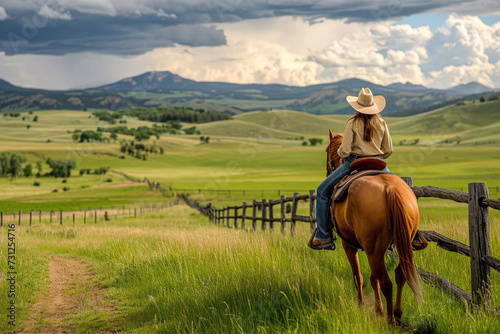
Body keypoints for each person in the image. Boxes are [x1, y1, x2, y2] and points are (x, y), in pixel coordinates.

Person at [310, 88, 393, 250]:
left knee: (321, 192)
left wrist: (341, 153)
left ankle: (323, 236)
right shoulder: (382, 123)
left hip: (354, 163)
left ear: (357, 107)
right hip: (379, 163)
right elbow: (388, 150)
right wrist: (376, 155)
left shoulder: (352, 123)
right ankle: (414, 233)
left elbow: (345, 150)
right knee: (403, 189)